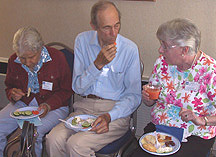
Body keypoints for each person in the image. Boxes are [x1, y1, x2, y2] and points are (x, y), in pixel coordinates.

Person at [46, 0, 142, 156]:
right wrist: (97, 65)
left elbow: (134, 96)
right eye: (106, 27)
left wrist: (109, 116)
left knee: (76, 145)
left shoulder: (129, 49)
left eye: (117, 25)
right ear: (94, 26)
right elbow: (77, 88)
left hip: (115, 111)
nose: (114, 33)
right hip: (84, 106)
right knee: (53, 139)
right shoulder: (82, 41)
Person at [131, 18, 216, 157]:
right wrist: (147, 98)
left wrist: (203, 120)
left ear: (184, 50)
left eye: (165, 46)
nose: (160, 50)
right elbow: (150, 101)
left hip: (195, 134)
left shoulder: (210, 71)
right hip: (161, 129)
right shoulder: (162, 63)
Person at [0, 26, 73, 157]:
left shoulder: (57, 58)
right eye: (22, 58)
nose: (27, 62)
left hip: (54, 107)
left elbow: (67, 90)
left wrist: (48, 105)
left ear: (40, 48)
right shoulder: (13, 60)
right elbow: (9, 86)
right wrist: (13, 94)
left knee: (33, 133)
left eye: (31, 57)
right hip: (23, 104)